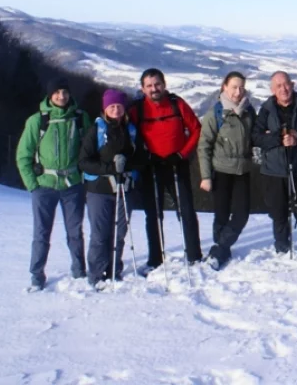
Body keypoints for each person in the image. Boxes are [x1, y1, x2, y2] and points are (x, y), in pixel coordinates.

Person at [16, 77, 91, 291]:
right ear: (50, 95)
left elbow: (89, 150)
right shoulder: (37, 121)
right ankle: (36, 275)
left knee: (75, 231)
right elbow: (23, 155)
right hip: (45, 186)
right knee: (41, 233)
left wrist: (85, 177)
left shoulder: (80, 118)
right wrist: (33, 185)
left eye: (65, 92)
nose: (61, 96)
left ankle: (79, 270)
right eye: (57, 92)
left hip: (72, 184)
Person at [128, 68, 203, 271]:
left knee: (186, 210)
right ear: (142, 88)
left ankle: (195, 255)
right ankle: (155, 258)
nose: (154, 89)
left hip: (176, 164)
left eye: (157, 84)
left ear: (164, 84)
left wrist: (182, 154)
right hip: (151, 167)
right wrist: (144, 156)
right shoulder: (137, 110)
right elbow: (129, 135)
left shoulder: (177, 104)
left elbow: (196, 128)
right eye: (149, 86)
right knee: (153, 214)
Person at [252, 71, 297, 260]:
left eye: (286, 84)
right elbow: (256, 137)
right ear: (272, 90)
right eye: (278, 86)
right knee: (278, 211)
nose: (283, 89)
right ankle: (282, 246)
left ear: (292, 85)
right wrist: (277, 138)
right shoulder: (266, 109)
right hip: (275, 169)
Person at [79, 89, 145, 287]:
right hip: (99, 190)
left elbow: (141, 159)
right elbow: (83, 162)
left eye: (119, 106)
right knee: (99, 235)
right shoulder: (96, 131)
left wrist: (128, 167)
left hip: (124, 189)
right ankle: (96, 275)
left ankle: (114, 271)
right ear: (105, 109)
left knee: (119, 234)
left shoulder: (131, 131)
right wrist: (109, 168)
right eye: (111, 107)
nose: (115, 110)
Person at [197, 71, 257, 269]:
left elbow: (255, 138)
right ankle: (221, 250)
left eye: (241, 87)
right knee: (221, 214)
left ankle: (219, 248)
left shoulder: (248, 111)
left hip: (243, 170)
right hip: (220, 170)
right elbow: (204, 145)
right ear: (224, 87)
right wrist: (205, 176)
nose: (238, 92)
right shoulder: (215, 113)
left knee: (242, 213)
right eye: (234, 87)